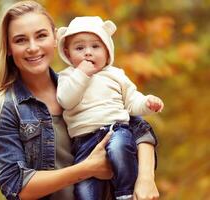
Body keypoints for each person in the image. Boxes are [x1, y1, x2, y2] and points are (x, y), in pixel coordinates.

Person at [0, 1, 160, 200]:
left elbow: (138, 128)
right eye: (20, 40)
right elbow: (16, 185)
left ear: (55, 38)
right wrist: (87, 169)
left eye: (41, 35)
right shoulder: (5, 106)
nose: (33, 47)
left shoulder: (82, 82)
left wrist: (146, 178)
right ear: (9, 48)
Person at [56, 16, 164, 200]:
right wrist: (82, 74)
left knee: (120, 150)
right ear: (67, 53)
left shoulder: (115, 74)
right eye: (79, 48)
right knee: (84, 189)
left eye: (95, 46)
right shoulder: (67, 77)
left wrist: (147, 103)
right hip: (84, 142)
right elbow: (66, 100)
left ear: (107, 50)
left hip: (116, 129)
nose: (88, 53)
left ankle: (125, 194)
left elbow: (131, 101)